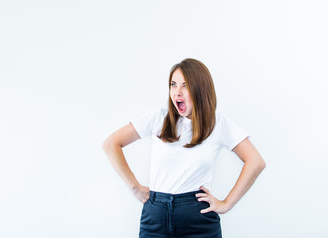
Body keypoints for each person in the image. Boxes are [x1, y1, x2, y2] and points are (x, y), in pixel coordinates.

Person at [102, 58, 266, 238]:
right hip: (155, 217)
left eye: (185, 85)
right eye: (173, 85)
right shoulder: (159, 118)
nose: (177, 92)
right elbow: (111, 144)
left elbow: (255, 162)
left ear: (200, 89)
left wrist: (226, 204)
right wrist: (134, 187)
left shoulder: (219, 124)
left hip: (198, 217)